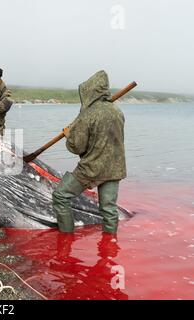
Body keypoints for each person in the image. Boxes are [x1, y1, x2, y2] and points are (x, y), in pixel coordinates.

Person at [52, 70, 126, 234]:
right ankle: (109, 249)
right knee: (109, 210)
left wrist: (69, 135)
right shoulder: (118, 112)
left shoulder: (87, 115)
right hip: (115, 168)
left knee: (60, 196)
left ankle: (66, 241)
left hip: (91, 168)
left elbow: (77, 147)